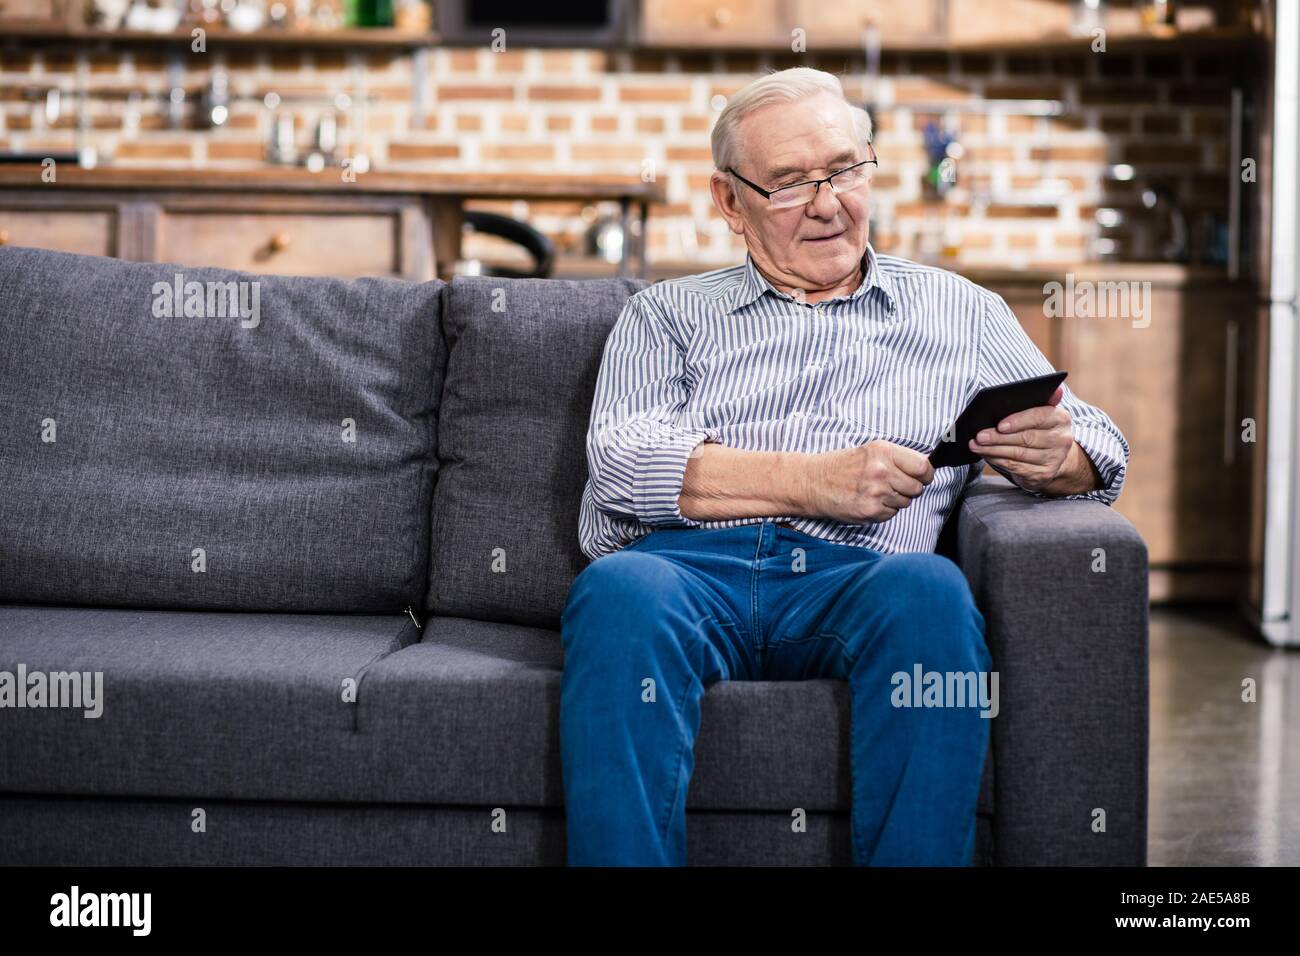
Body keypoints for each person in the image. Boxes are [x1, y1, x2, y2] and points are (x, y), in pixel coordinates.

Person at [560, 67, 1130, 866]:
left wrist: (1058, 457)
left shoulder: (960, 311)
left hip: (862, 576)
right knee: (619, 591)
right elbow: (621, 462)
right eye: (791, 183)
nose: (829, 203)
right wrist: (812, 481)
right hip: (690, 571)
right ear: (729, 201)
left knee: (932, 590)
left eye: (844, 170)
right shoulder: (667, 315)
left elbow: (1096, 440)